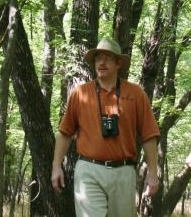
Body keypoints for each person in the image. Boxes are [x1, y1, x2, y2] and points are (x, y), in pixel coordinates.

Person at [51, 37, 160, 217]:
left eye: (108, 58)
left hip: (123, 171)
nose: (101, 62)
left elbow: (149, 135)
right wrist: (56, 166)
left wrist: (153, 173)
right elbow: (65, 132)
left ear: (118, 63)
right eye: (97, 58)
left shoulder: (135, 94)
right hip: (88, 170)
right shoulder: (80, 93)